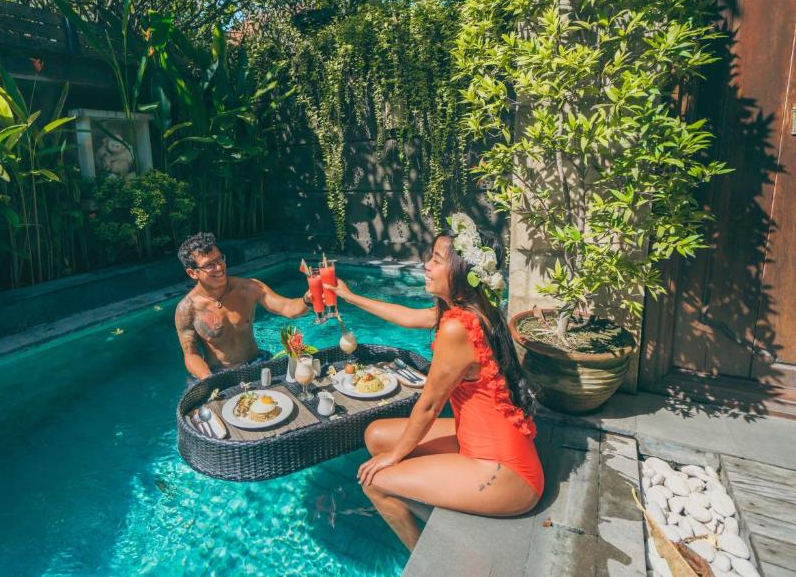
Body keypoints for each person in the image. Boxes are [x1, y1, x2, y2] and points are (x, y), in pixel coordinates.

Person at [323, 214, 543, 551]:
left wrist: (395, 456)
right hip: (478, 442)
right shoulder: (471, 309)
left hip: (507, 473)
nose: (426, 265)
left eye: (436, 260)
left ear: (460, 272)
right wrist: (350, 297)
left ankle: (428, 560)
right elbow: (409, 316)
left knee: (375, 480)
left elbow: (427, 407)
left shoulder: (458, 329)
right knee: (374, 435)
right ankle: (433, 501)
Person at [175, 232, 313, 383]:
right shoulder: (187, 309)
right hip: (218, 373)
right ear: (192, 273)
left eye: (220, 259)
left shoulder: (249, 288)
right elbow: (191, 354)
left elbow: (288, 308)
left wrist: (307, 300)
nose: (219, 267)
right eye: (209, 265)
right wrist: (208, 378)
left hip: (258, 362)